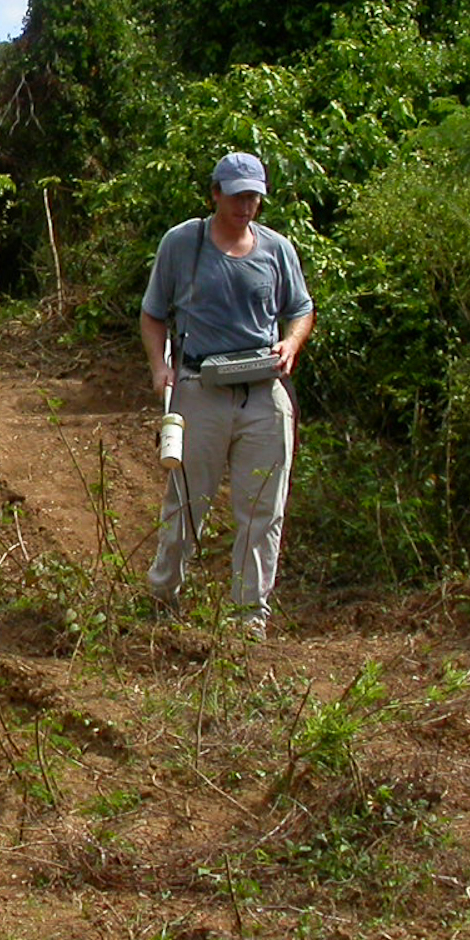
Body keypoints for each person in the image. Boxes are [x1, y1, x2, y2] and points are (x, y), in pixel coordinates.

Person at [138, 151, 315, 638]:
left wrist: (291, 343)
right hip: (199, 388)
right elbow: (153, 313)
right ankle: (162, 597)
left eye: (254, 196)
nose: (246, 205)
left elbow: (301, 308)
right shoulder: (183, 243)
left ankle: (248, 618)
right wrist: (160, 370)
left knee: (263, 508)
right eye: (237, 195)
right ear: (215, 193)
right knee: (187, 502)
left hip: (263, 392)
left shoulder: (277, 249)